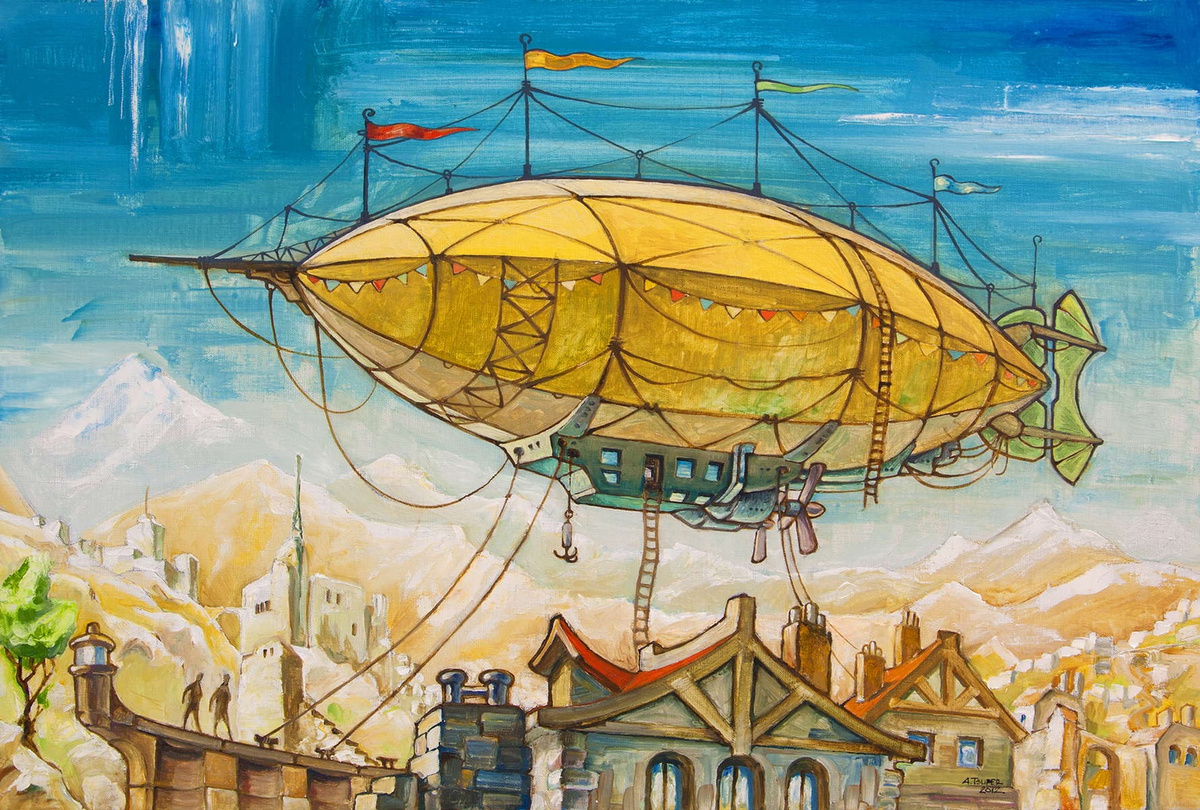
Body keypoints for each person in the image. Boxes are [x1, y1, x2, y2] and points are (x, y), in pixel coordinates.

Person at [210, 673, 233, 739]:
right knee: (216, 721)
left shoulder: (227, 688)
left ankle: (230, 736)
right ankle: (214, 733)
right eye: (226, 679)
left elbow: (229, 698)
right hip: (219, 707)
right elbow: (213, 697)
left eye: (227, 679)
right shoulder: (220, 688)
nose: (227, 680)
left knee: (227, 722)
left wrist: (227, 692)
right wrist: (210, 705)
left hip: (224, 709)